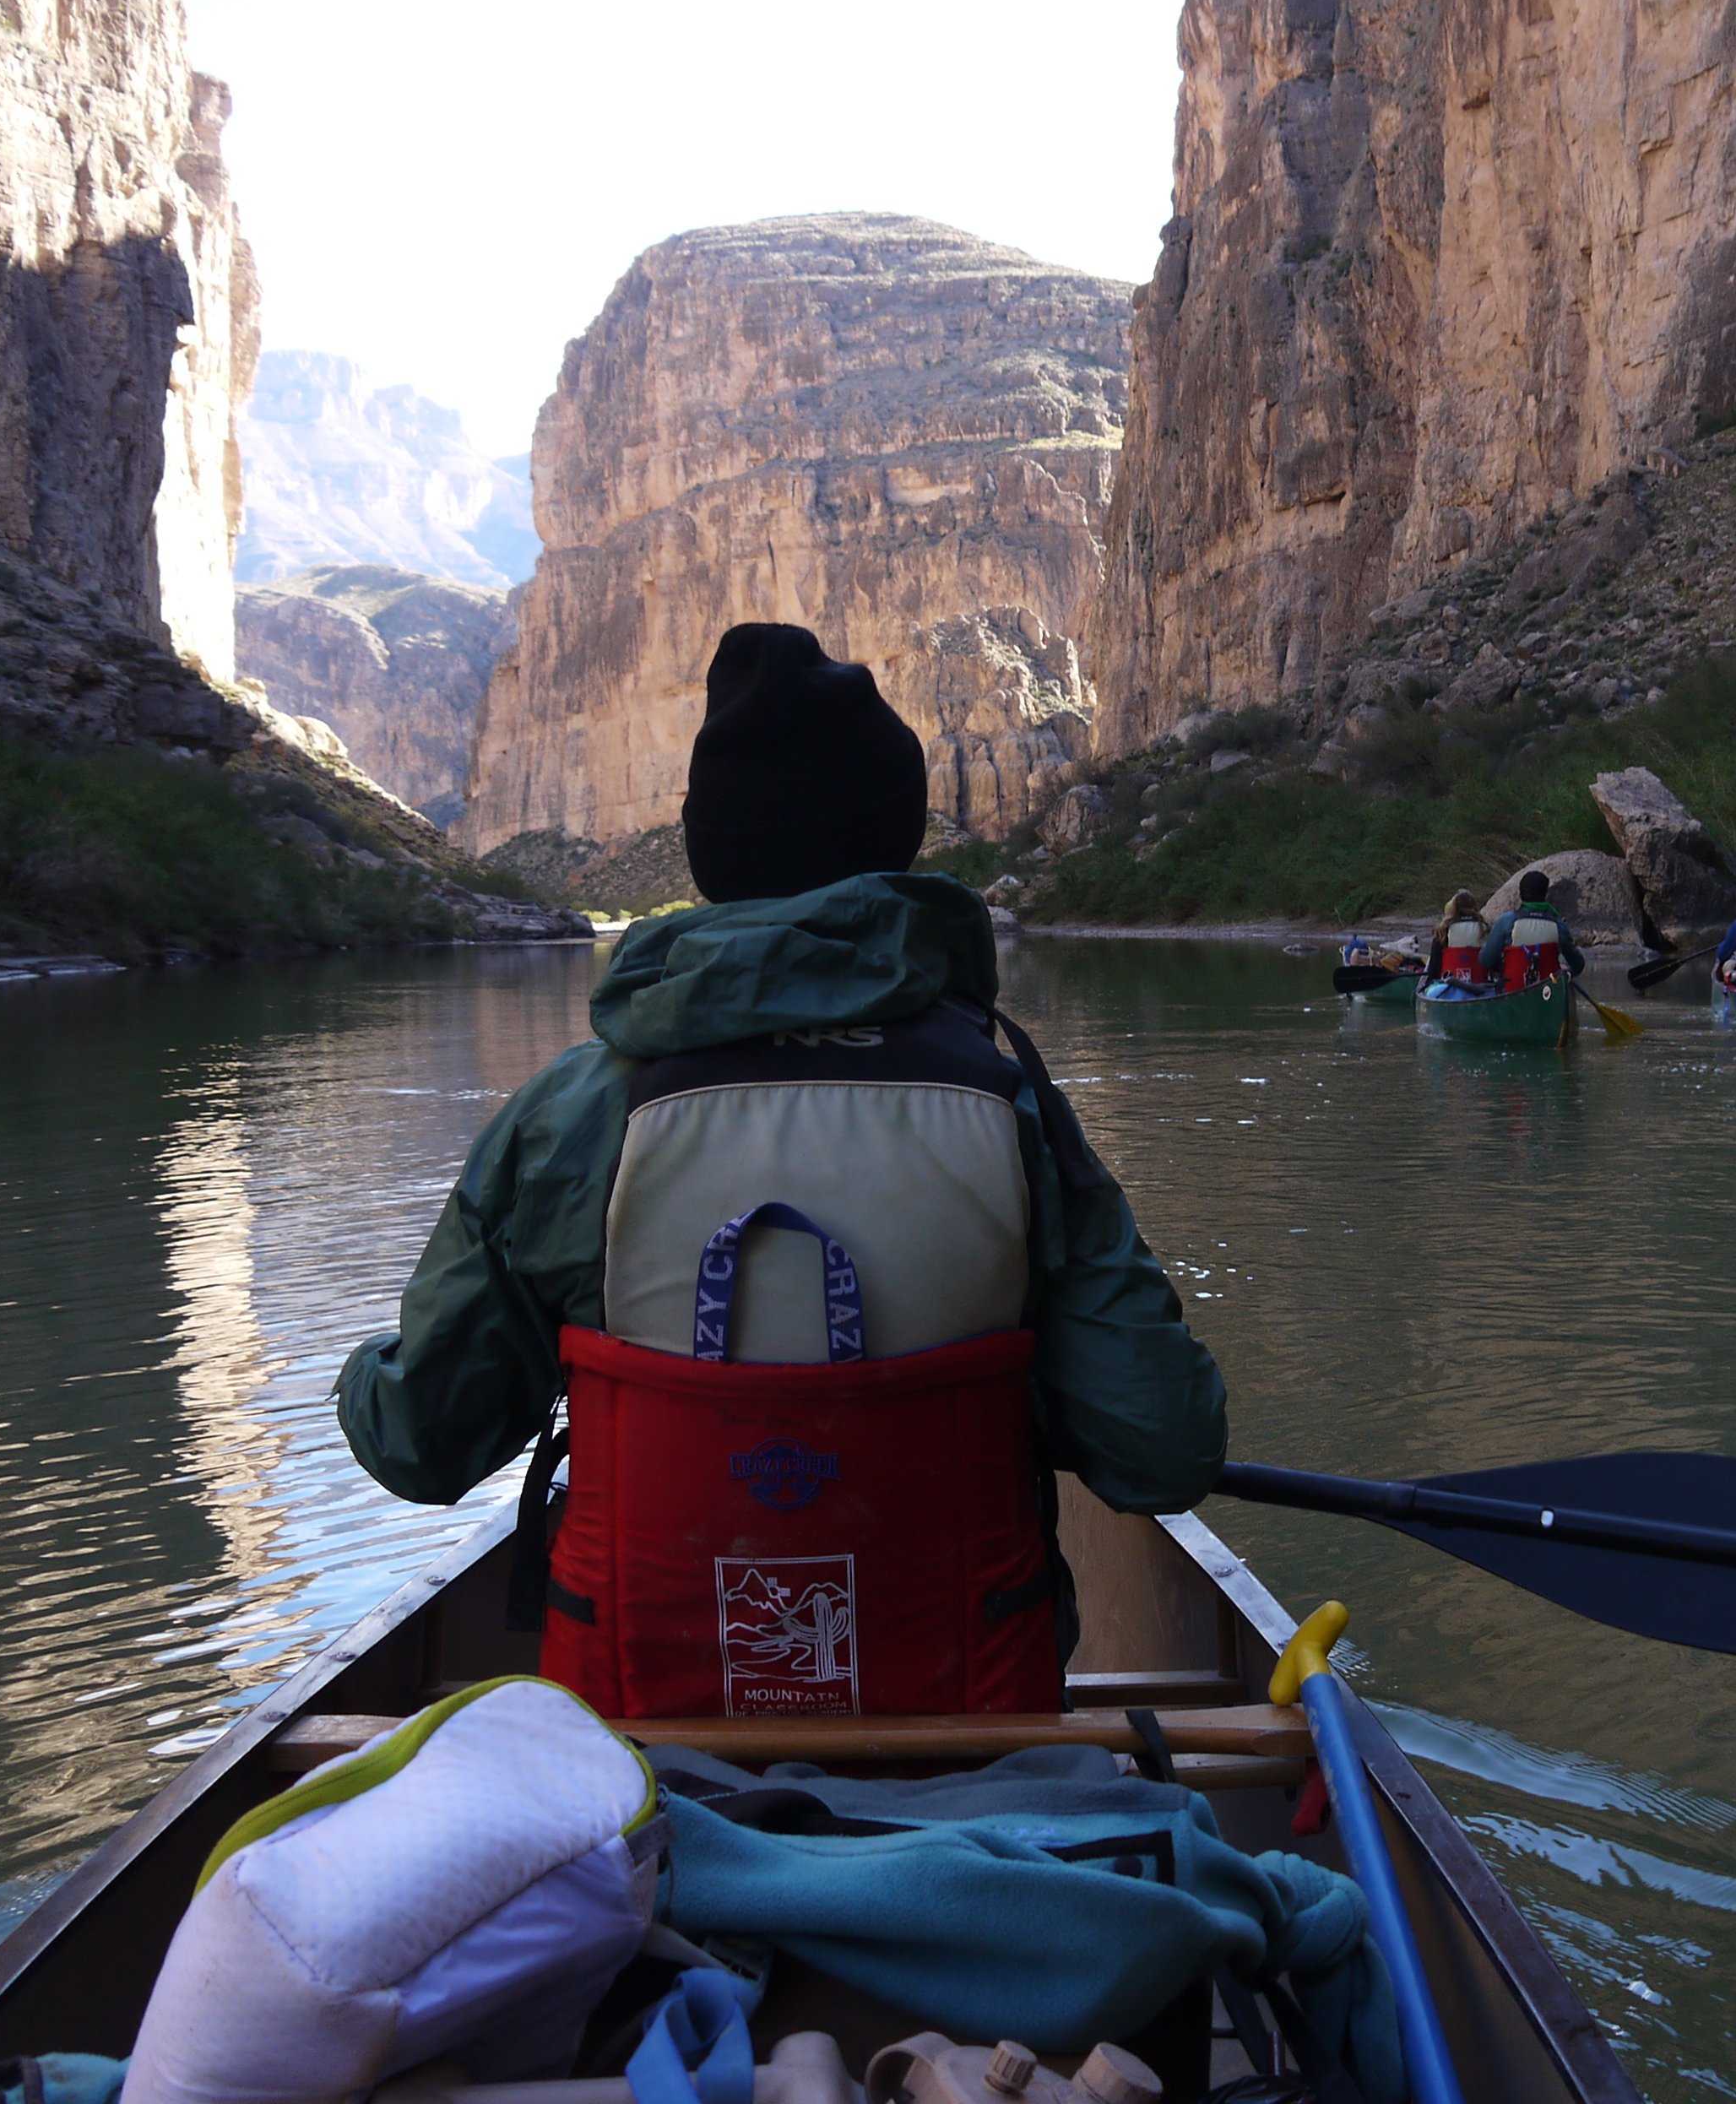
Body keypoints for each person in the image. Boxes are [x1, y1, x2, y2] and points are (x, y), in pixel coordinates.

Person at [336, 624, 1227, 1722]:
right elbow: (1164, 1454)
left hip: (645, 1752)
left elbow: (417, 1448)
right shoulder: (1013, 1108)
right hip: (968, 1731)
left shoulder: (566, 1120)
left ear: (710, 862)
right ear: (900, 846)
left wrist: (365, 1367)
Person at [1480, 870, 1576, 990]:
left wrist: (1501, 967)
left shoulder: (1506, 921)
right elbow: (1578, 965)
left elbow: (1486, 961)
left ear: (1520, 895)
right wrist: (1566, 972)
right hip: (1550, 990)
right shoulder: (1558, 925)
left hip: (1512, 991)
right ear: (1546, 895)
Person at [1428, 888, 1488, 988]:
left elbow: (1434, 966)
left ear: (1454, 908)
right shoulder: (1484, 928)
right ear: (1474, 906)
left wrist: (1430, 980)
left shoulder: (1444, 929)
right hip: (1479, 982)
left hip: (1448, 984)